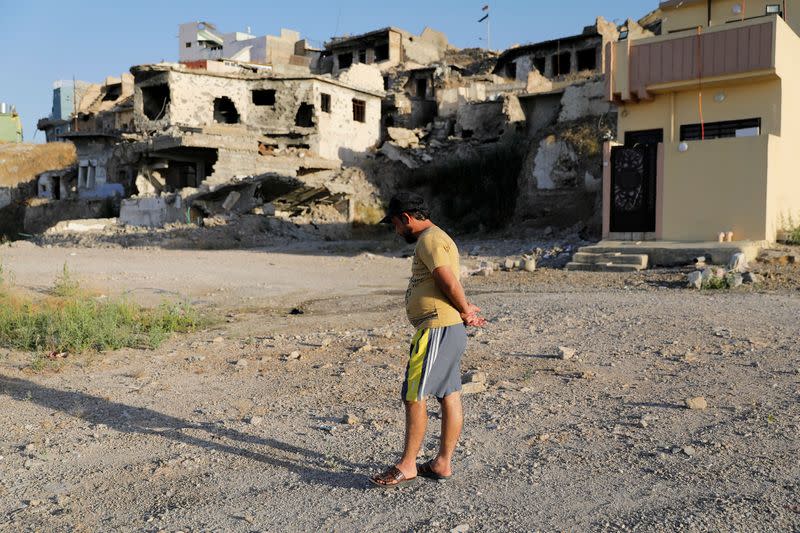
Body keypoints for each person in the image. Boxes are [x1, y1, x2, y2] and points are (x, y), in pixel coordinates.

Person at [370, 192, 486, 488]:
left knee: (414, 394)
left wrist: (465, 309)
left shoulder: (429, 240)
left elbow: (446, 278)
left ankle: (408, 464)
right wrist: (465, 309)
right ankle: (441, 463)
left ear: (406, 218)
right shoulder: (438, 237)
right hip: (446, 328)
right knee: (448, 394)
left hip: (437, 328)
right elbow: (448, 281)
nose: (396, 230)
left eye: (395, 223)